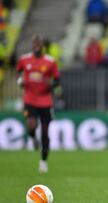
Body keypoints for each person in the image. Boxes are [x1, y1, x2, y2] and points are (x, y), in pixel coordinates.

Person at [16, 34, 60, 173]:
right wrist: (20, 82)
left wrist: (51, 84)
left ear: (43, 46)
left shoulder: (50, 62)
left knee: (45, 132)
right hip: (30, 99)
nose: (37, 46)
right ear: (32, 44)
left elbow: (57, 81)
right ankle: (33, 138)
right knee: (31, 125)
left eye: (39, 44)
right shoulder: (24, 60)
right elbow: (18, 73)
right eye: (35, 43)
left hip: (45, 100)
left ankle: (43, 161)